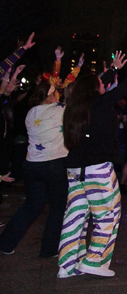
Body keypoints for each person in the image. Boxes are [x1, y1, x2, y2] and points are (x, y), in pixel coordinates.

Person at [57, 44, 127, 278]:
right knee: (108, 214)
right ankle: (95, 260)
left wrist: (112, 69)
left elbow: (93, 84)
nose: (104, 85)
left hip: (74, 168)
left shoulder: (73, 107)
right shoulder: (100, 104)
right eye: (101, 84)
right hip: (97, 169)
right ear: (95, 90)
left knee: (75, 216)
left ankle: (66, 265)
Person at [0, 80, 68, 257]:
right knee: (57, 207)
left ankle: (6, 243)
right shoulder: (60, 109)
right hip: (54, 163)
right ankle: (49, 249)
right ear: (52, 95)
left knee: (31, 205)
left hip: (32, 164)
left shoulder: (32, 112)